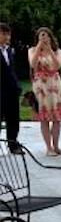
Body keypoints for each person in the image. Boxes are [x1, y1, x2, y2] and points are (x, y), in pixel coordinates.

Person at [27, 27, 61, 156]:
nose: (44, 38)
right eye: (41, 36)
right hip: (41, 87)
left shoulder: (58, 51)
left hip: (55, 85)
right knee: (44, 118)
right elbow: (33, 65)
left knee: (57, 118)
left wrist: (49, 50)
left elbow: (57, 65)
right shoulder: (32, 50)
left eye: (46, 36)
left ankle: (56, 146)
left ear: (51, 37)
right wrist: (40, 46)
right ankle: (48, 148)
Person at [0, 23, 23, 154]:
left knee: (13, 119)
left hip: (12, 90)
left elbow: (12, 70)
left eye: (8, 34)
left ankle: (13, 145)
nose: (7, 37)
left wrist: (17, 85)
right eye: (3, 34)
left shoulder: (9, 50)